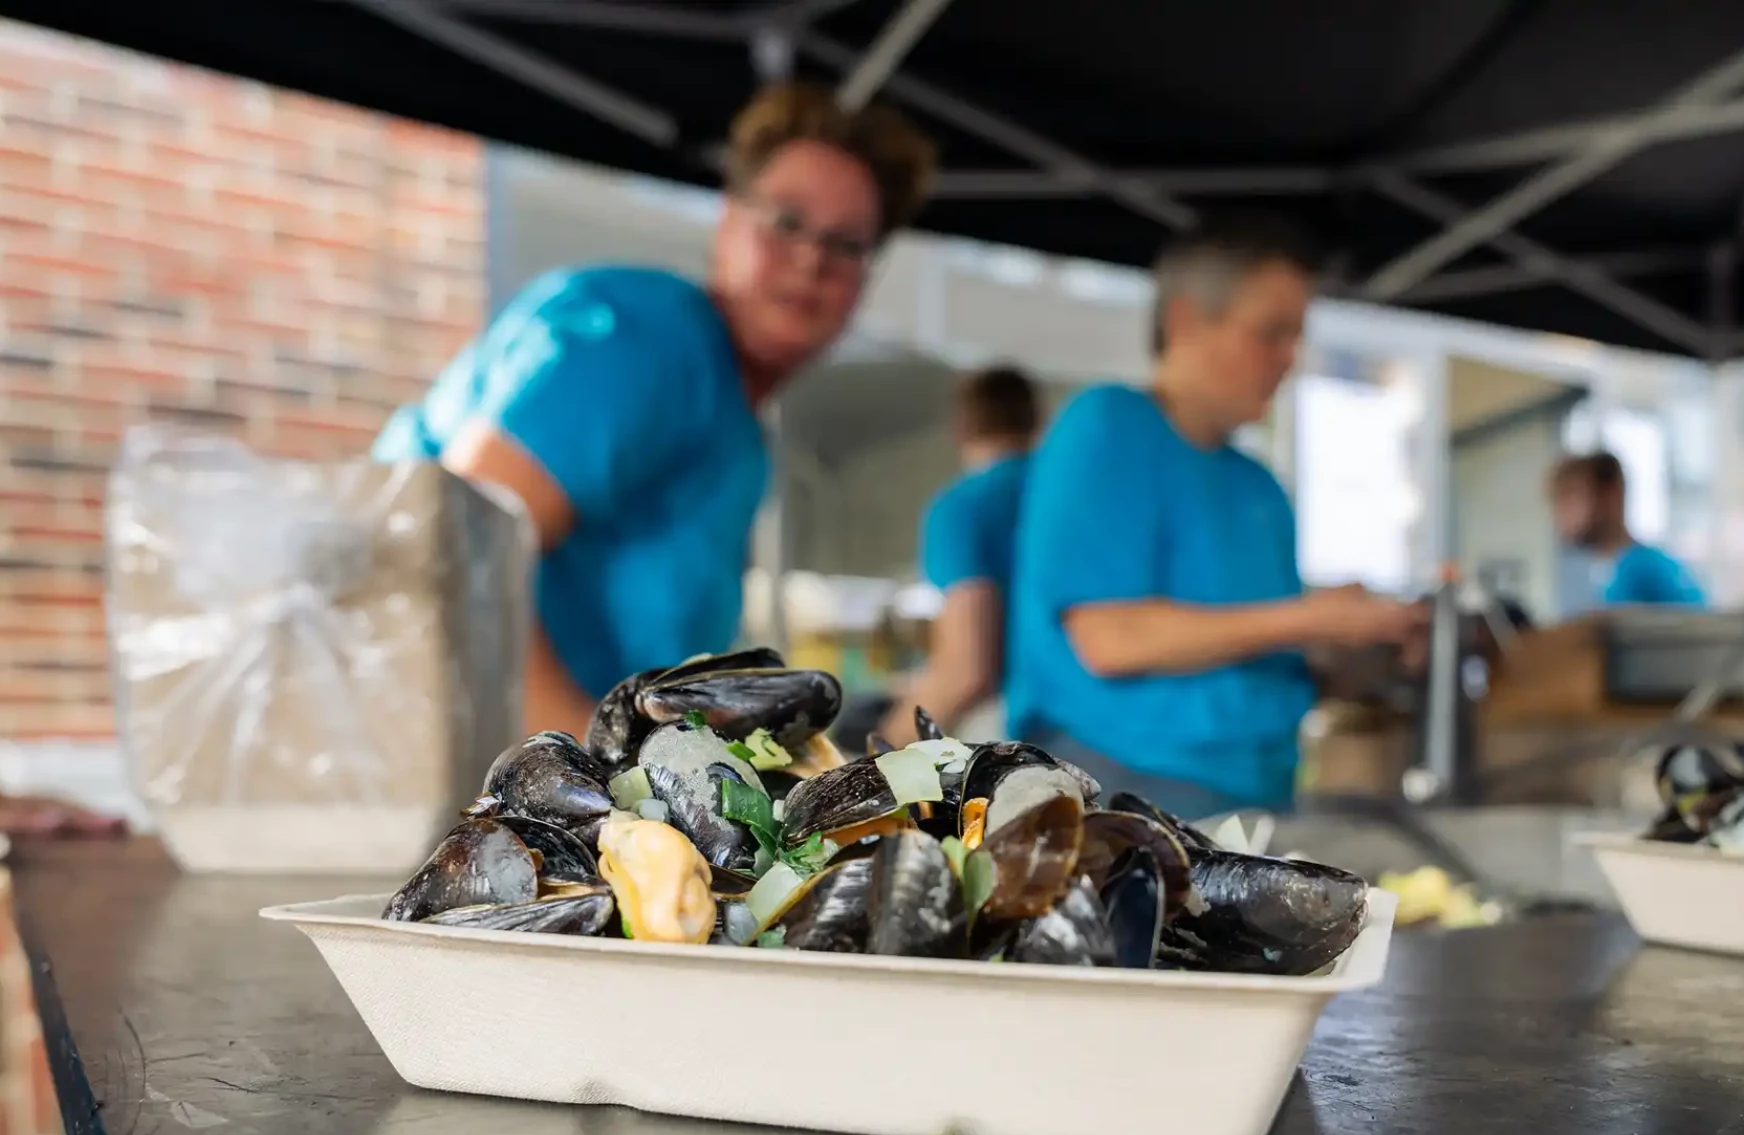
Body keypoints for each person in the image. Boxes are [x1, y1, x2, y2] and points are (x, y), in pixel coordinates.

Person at [373, 85, 937, 736]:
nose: (812, 259)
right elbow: (458, 546)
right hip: (454, 783)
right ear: (728, 222)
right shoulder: (645, 339)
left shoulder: (740, 428)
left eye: (847, 245)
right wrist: (605, 795)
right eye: (786, 221)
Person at [1006, 221, 1426, 820]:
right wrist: (1312, 616)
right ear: (1183, 322)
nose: (1289, 358)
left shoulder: (1260, 486)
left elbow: (1269, 656)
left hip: (1264, 797)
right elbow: (1110, 640)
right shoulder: (1109, 426)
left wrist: (1369, 643)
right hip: (1122, 792)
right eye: (1271, 332)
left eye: (1297, 336)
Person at [880, 365, 1042, 744]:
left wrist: (879, 752)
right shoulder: (1067, 498)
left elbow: (968, 670)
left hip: (1014, 731)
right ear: (1038, 422)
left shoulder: (962, 508)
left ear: (961, 428)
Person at [1550, 451, 1705, 610]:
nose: (1560, 513)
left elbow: (1602, 630)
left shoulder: (1636, 570)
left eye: (1569, 497)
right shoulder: (1622, 567)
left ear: (1611, 494)